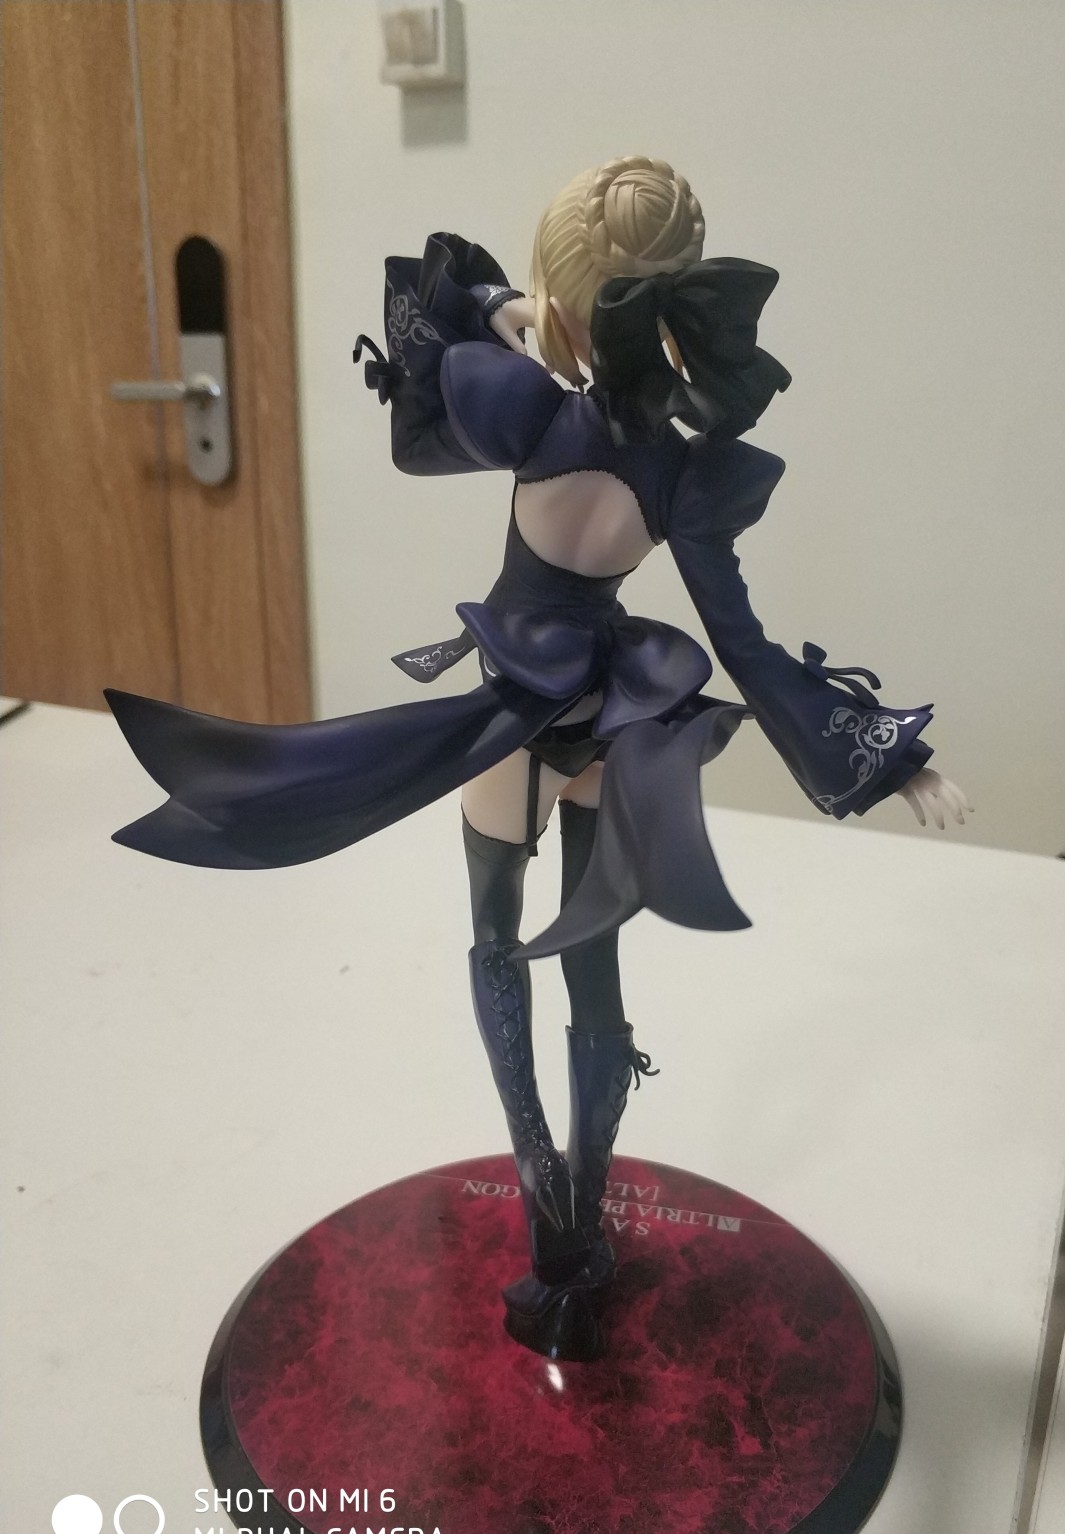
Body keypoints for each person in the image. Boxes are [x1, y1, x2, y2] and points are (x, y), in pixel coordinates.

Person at [107, 156, 967, 1360]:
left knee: (496, 943)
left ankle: (547, 1197)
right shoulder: (680, 472)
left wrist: (500, 310)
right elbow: (749, 648)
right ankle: (580, 1212)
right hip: (611, 717)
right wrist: (884, 758)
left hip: (513, 718)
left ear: (562, 311)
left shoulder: (526, 411)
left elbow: (426, 370)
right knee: (591, 965)